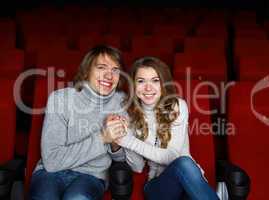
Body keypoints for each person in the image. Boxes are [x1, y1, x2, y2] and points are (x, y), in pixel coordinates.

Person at [29, 45, 134, 200]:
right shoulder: (60, 99)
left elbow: (121, 161)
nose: (109, 76)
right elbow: (51, 161)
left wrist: (115, 144)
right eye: (101, 67)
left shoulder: (121, 104)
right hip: (49, 173)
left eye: (115, 70)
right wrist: (102, 138)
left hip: (92, 176)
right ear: (86, 71)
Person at [114, 57, 220, 200]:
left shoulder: (178, 106)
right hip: (158, 187)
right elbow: (137, 167)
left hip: (189, 179)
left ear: (164, 83)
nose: (148, 87)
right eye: (141, 81)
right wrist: (124, 134)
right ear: (133, 85)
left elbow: (173, 156)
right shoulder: (129, 113)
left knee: (183, 163)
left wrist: (129, 141)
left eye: (155, 80)